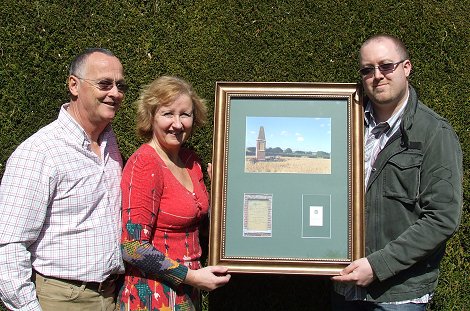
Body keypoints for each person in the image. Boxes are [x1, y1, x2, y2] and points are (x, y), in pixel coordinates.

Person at [331, 34, 463, 310]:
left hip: (398, 296)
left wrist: (377, 266)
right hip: (344, 290)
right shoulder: (341, 126)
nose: (377, 75)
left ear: (406, 67)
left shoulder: (433, 133)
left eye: (386, 66)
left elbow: (442, 218)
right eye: (368, 69)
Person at [0, 48, 127, 311]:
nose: (115, 93)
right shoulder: (39, 152)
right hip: (63, 299)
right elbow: (8, 245)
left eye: (120, 85)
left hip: (111, 295)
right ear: (74, 85)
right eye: (104, 84)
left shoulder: (110, 145)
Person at [118, 76, 230, 311]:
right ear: (151, 117)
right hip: (153, 295)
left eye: (185, 114)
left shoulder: (191, 162)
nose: (177, 124)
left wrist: (225, 189)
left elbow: (202, 225)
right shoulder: (145, 164)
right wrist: (192, 277)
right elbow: (132, 247)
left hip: (189, 293)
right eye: (168, 113)